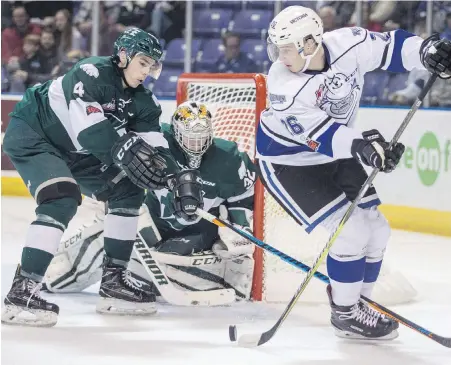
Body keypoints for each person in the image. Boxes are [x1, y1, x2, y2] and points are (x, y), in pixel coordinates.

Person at [257, 6, 451, 340]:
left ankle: (359, 304)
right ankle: (345, 315)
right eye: (277, 48)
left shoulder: (348, 42)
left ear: (309, 43)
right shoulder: (283, 83)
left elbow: (392, 47)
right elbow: (328, 137)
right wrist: (366, 148)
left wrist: (425, 50)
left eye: (286, 47)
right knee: (351, 232)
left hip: (334, 153)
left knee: (378, 229)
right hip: (288, 163)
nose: (279, 56)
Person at [1, 28, 203, 327]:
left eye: (152, 65)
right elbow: (91, 132)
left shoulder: (143, 102)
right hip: (36, 133)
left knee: (129, 191)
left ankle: (114, 283)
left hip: (79, 151)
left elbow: (157, 149)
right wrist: (127, 151)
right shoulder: (91, 72)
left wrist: (176, 181)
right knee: (61, 197)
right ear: (123, 56)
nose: (146, 71)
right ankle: (22, 292)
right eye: (143, 62)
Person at [43, 101, 257, 300]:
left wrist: (239, 228)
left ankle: (218, 283)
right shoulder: (156, 143)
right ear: (175, 133)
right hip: (154, 224)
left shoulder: (229, 158)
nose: (196, 144)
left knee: (171, 264)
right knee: (109, 237)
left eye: (202, 137)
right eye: (190, 137)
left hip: (197, 235)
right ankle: (55, 275)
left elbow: (243, 196)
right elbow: (121, 164)